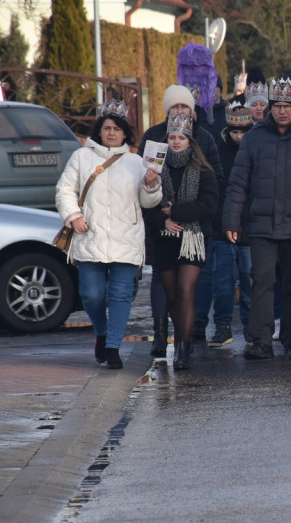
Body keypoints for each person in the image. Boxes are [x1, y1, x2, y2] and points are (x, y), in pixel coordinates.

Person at [222, 76, 291, 361]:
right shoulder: (254, 138)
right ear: (270, 108)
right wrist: (231, 220)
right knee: (261, 281)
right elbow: (238, 184)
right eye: (277, 105)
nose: (282, 111)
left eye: (288, 106)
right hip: (261, 225)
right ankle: (261, 341)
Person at [55, 100, 162, 369]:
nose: (111, 133)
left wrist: (151, 186)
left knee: (121, 296)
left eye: (117, 129)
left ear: (125, 133)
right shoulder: (81, 157)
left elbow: (148, 203)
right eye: (107, 128)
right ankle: (102, 332)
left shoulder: (136, 162)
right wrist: (74, 216)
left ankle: (113, 346)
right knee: (91, 295)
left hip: (126, 239)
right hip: (91, 236)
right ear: (99, 131)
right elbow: (64, 189)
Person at [139, 85, 224, 351]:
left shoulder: (204, 146)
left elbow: (212, 189)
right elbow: (142, 188)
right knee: (167, 290)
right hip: (162, 234)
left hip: (194, 234)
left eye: (184, 107)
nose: (176, 141)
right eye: (174, 107)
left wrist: (175, 211)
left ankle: (184, 347)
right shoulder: (153, 136)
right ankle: (161, 335)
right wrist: (160, 215)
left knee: (186, 291)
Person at [204, 100, 255, 348]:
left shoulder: (257, 149)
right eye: (235, 132)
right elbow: (215, 189)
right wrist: (220, 221)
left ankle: (250, 326)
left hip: (250, 227)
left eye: (243, 132)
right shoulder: (218, 151)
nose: (239, 137)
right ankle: (222, 326)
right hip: (222, 227)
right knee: (222, 281)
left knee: (250, 279)